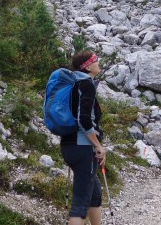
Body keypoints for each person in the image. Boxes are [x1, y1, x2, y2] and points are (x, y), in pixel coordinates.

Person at [61, 50, 105, 225]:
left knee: (94, 194)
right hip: (83, 147)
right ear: (86, 66)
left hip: (68, 145)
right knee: (80, 203)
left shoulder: (72, 84)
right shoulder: (86, 84)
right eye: (95, 60)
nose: (98, 62)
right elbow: (84, 119)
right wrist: (98, 145)